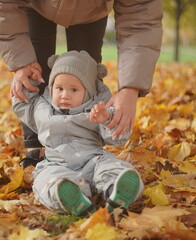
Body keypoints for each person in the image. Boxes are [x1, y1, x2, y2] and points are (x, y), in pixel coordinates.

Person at [0, 0, 163, 165]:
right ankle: (38, 146)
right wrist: (20, 61)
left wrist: (131, 88)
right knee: (35, 70)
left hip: (91, 8)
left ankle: (85, 147)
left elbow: (141, 18)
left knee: (84, 74)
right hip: (35, 4)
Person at [12, 50, 144, 215]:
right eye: (59, 88)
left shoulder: (98, 109)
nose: (65, 95)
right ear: (51, 88)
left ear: (88, 93)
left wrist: (106, 119)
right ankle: (71, 196)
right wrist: (27, 80)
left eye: (74, 90)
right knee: (47, 180)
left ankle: (117, 190)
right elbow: (22, 104)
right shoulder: (41, 108)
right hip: (56, 163)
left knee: (113, 167)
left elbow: (117, 137)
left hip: (94, 160)